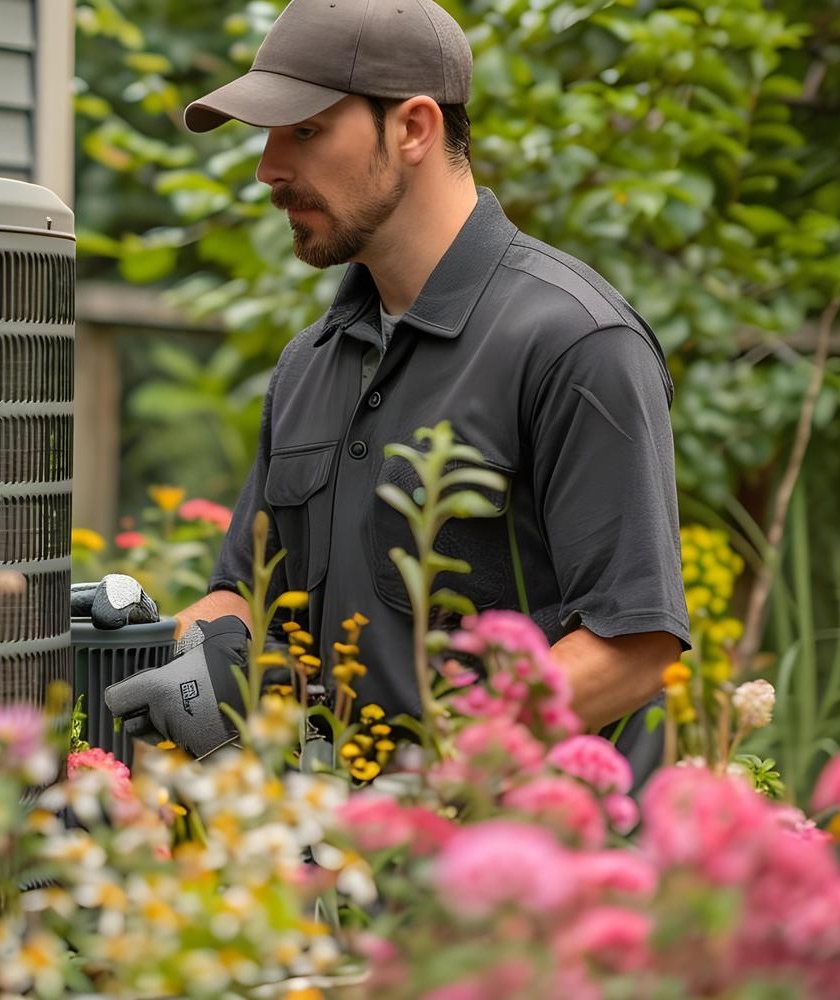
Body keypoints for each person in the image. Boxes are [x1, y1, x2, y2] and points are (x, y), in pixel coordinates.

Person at [103, 0, 690, 773]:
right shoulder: (311, 363)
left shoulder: (576, 343)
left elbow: (633, 648)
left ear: (413, 128)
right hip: (338, 869)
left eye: (305, 131)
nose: (269, 169)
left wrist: (435, 785)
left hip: (524, 871)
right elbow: (240, 596)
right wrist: (182, 656)